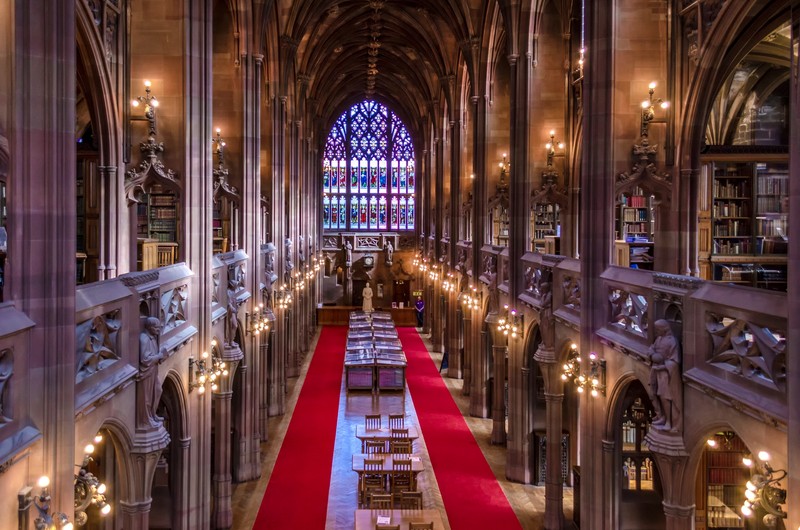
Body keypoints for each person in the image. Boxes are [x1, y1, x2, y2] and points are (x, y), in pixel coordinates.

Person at [647, 319, 681, 432]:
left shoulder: (672, 342)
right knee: (652, 394)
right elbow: (652, 347)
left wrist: (662, 366)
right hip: (655, 370)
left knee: (665, 398)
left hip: (665, 373)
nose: (656, 332)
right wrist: (652, 353)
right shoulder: (659, 339)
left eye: (658, 329)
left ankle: (669, 422)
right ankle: (660, 415)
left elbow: (675, 362)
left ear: (664, 329)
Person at [138, 317, 165, 429]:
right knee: (146, 397)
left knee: (158, 390)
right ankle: (146, 420)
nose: (158, 330)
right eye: (156, 328)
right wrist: (158, 356)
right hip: (146, 373)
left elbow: (152, 355)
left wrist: (160, 357)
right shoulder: (144, 339)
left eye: (159, 328)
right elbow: (144, 359)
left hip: (153, 370)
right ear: (149, 327)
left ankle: (153, 414)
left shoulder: (153, 338)